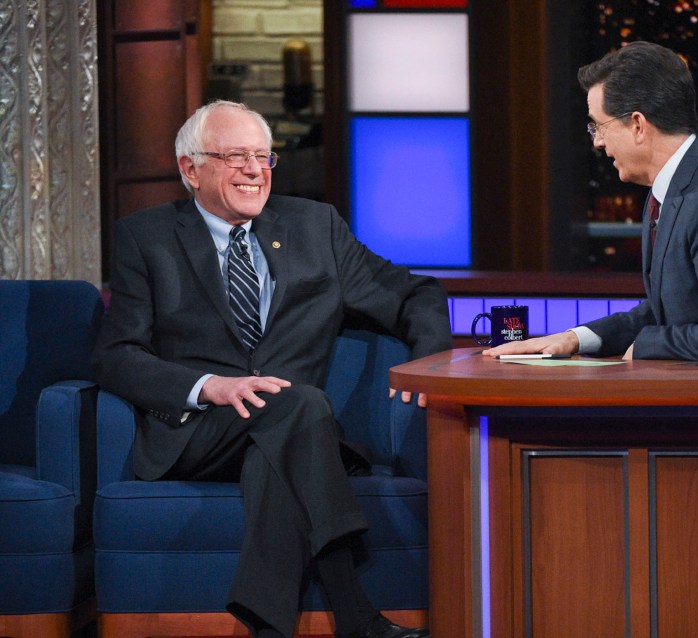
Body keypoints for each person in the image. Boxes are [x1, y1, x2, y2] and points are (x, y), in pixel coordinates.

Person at [92, 100, 452, 638]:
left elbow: (412, 295)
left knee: (286, 431)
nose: (255, 170)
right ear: (190, 169)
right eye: (235, 156)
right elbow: (115, 355)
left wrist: (428, 366)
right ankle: (357, 616)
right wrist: (209, 387)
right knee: (301, 404)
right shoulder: (145, 238)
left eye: (263, 156)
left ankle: (269, 626)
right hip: (200, 433)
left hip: (292, 432)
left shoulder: (315, 227)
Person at [484, 41, 698, 361]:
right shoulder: (668, 191)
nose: (598, 143)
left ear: (637, 125)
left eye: (599, 127)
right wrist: (577, 338)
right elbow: (671, 311)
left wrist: (643, 345)